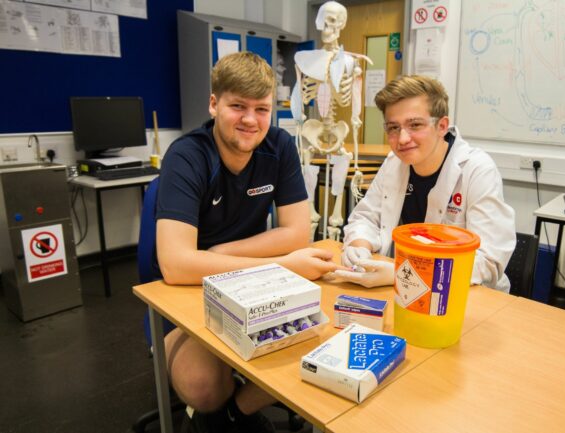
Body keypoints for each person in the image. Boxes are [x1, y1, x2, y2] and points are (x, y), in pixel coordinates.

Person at [154, 52, 340, 433]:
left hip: (252, 284)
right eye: (237, 105)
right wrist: (283, 264)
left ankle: (234, 413)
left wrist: (220, 253)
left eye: (262, 108)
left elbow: (296, 233)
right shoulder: (187, 156)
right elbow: (176, 266)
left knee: (319, 337)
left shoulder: (280, 146)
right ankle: (221, 405)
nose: (250, 120)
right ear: (213, 104)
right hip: (193, 293)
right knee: (203, 387)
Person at [335, 75, 516, 292]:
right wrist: (359, 248)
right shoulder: (394, 163)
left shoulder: (477, 170)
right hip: (405, 292)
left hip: (465, 295)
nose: (402, 139)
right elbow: (365, 217)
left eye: (415, 125)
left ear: (442, 126)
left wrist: (399, 274)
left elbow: (488, 262)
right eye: (393, 128)